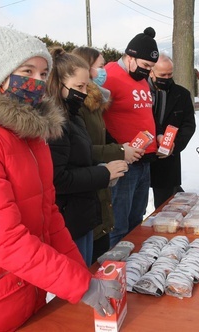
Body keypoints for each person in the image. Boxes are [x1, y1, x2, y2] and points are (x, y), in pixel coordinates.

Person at [0, 27, 122, 331]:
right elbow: (5, 239)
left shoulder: (32, 135)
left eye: (43, 72)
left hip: (24, 288)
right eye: (26, 70)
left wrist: (81, 277)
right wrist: (80, 286)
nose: (35, 80)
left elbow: (49, 216)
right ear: (1, 74)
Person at [46, 47, 128, 265]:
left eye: (86, 86)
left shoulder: (73, 116)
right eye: (78, 87)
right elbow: (58, 179)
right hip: (70, 220)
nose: (83, 92)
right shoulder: (56, 124)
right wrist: (103, 172)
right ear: (58, 84)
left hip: (84, 216)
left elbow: (80, 158)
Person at [72, 46, 144, 263]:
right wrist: (121, 151)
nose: (105, 71)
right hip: (86, 187)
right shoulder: (78, 105)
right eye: (101, 66)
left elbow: (101, 136)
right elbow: (84, 148)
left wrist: (121, 147)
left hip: (99, 183)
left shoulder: (95, 101)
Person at [102, 27, 159, 247]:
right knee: (120, 224)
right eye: (145, 66)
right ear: (130, 57)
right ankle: (116, 271)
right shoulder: (108, 76)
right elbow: (95, 117)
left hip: (144, 159)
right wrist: (116, 148)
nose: (147, 72)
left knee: (137, 219)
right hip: (124, 162)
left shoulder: (143, 79)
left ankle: (134, 267)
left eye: (151, 68)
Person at [148, 54, 196, 208]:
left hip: (168, 159)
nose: (167, 78)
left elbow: (189, 125)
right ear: (151, 72)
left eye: (170, 74)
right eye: (162, 75)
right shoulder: (143, 92)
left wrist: (175, 145)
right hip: (142, 156)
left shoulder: (182, 94)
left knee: (165, 205)